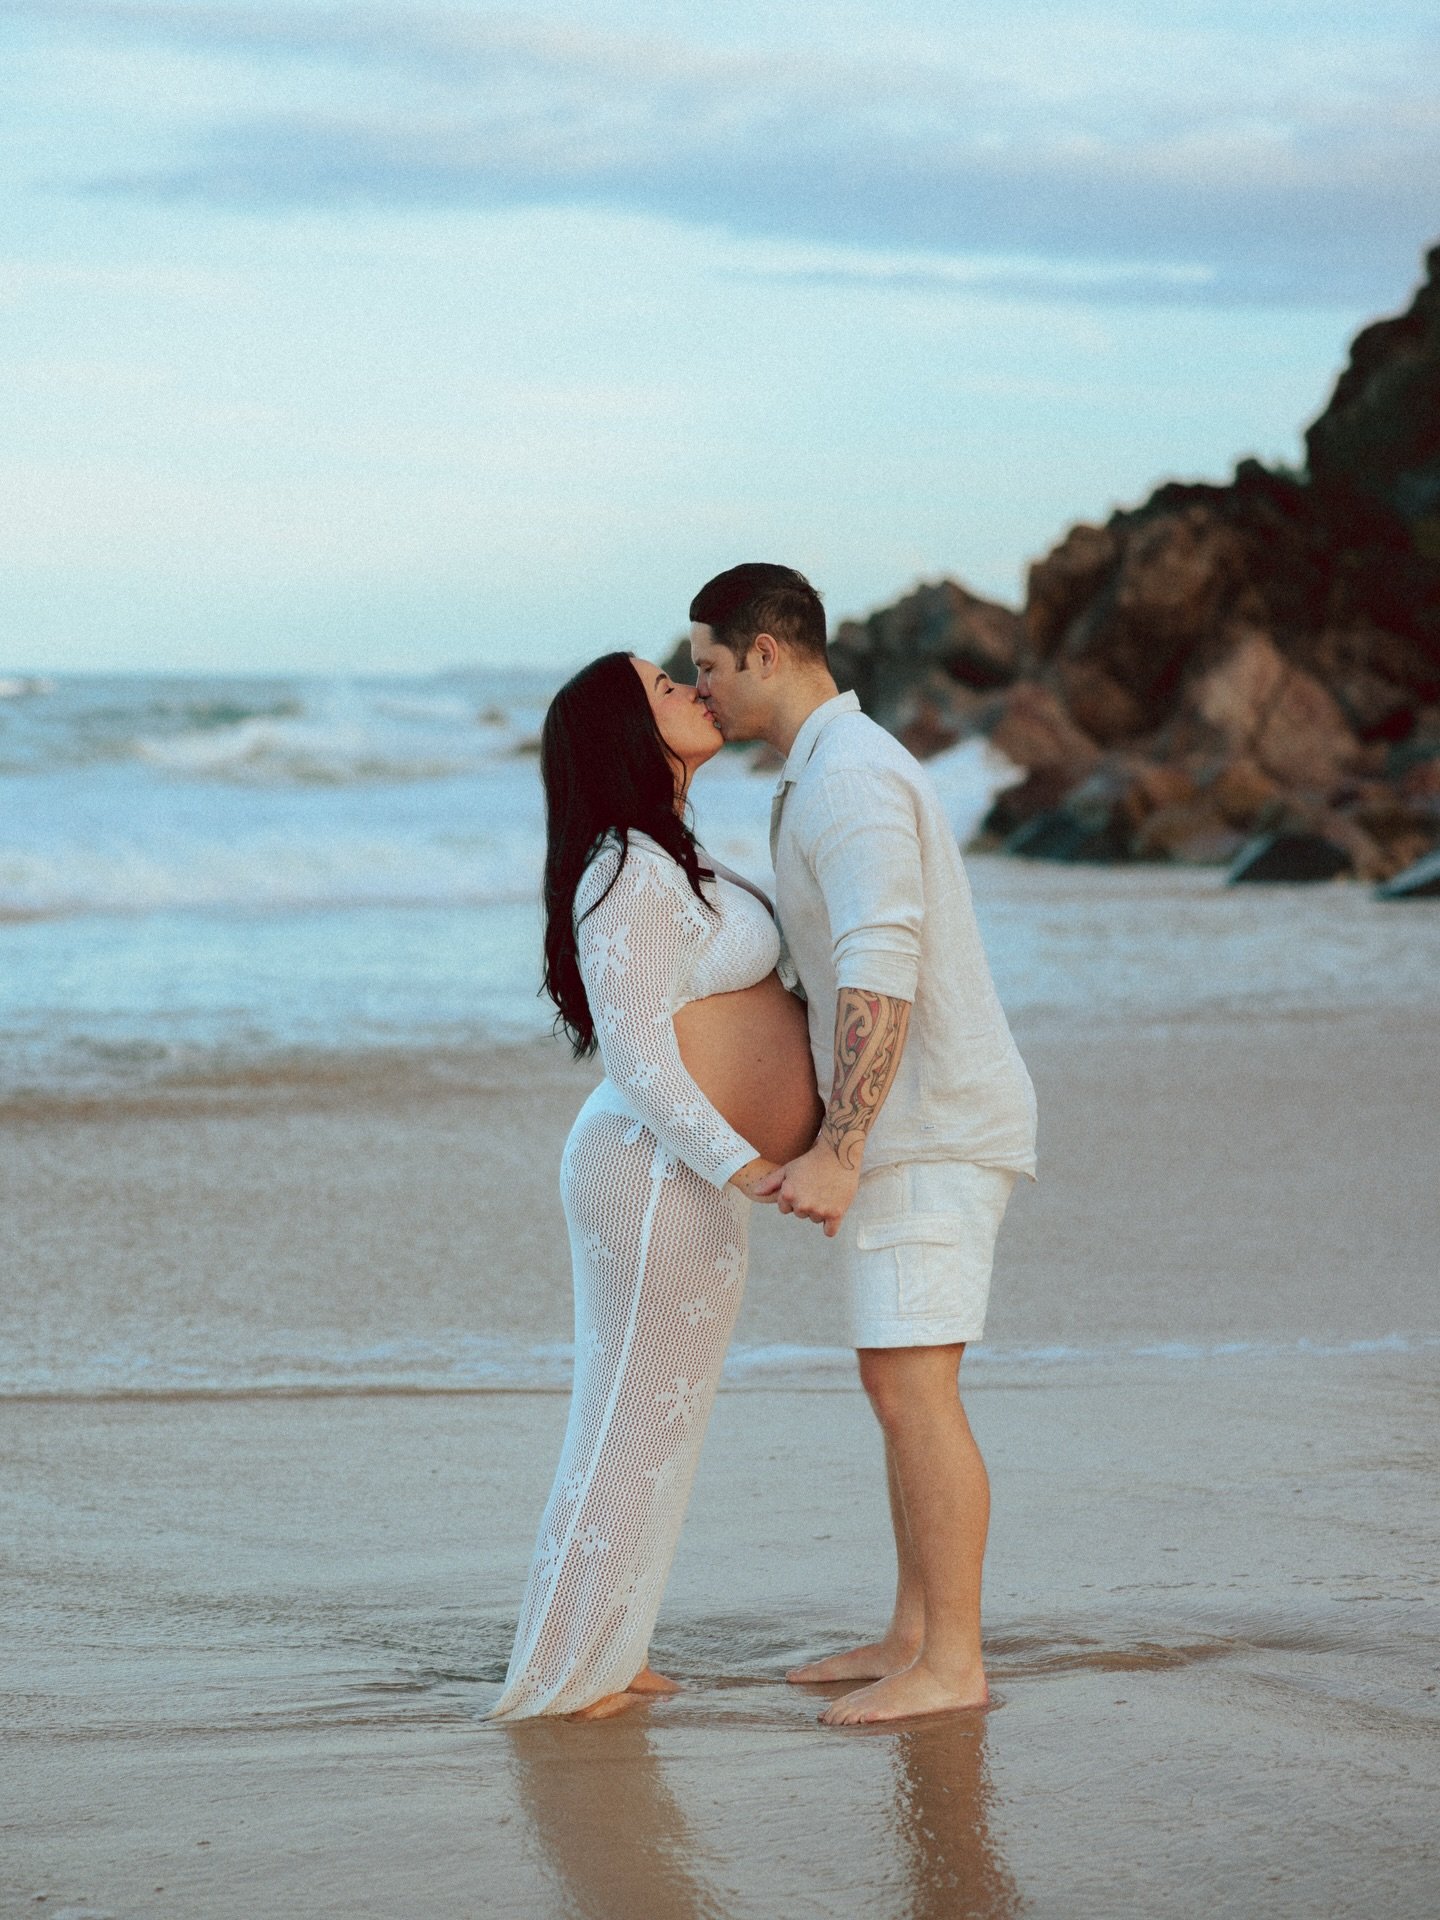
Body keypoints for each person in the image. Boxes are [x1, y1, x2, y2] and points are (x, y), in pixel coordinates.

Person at [689, 564, 1037, 1726]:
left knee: (913, 1386)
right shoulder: (828, 772)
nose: (704, 690)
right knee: (895, 1382)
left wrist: (841, 1146)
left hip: (926, 1128)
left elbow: (880, 970)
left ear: (768, 652)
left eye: (710, 667)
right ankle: (914, 1631)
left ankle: (956, 1662)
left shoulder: (853, 780)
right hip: (908, 1127)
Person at [489, 650, 822, 1721]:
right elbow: (638, 1058)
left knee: (659, 1422)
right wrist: (752, 1163)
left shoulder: (673, 852)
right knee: (627, 1422)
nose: (692, 687)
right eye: (663, 686)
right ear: (625, 732)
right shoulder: (624, 865)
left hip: (687, 1179)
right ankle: (566, 1676)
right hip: (649, 1172)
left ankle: (611, 1644)